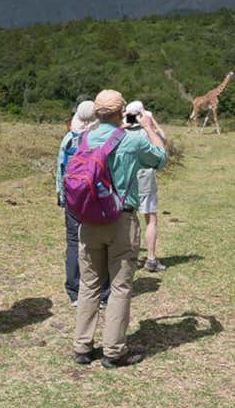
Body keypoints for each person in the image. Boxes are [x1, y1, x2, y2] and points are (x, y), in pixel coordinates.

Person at [72, 90, 166, 368]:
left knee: (89, 285)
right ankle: (114, 352)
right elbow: (160, 158)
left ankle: (82, 347)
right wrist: (148, 126)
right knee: (120, 286)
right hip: (120, 220)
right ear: (121, 111)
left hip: (88, 220)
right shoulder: (132, 140)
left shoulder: (84, 138)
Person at [56, 100, 110, 308]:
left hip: (73, 200)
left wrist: (62, 198)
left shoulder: (68, 139)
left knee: (72, 243)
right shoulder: (101, 139)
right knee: (101, 244)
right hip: (96, 201)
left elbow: (61, 171)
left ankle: (74, 291)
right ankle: (103, 293)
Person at [124, 100, 168, 272]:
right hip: (146, 178)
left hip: (127, 180)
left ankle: (128, 257)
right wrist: (151, 122)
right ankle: (151, 258)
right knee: (150, 218)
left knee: (128, 218)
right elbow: (163, 142)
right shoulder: (147, 133)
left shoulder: (123, 133)